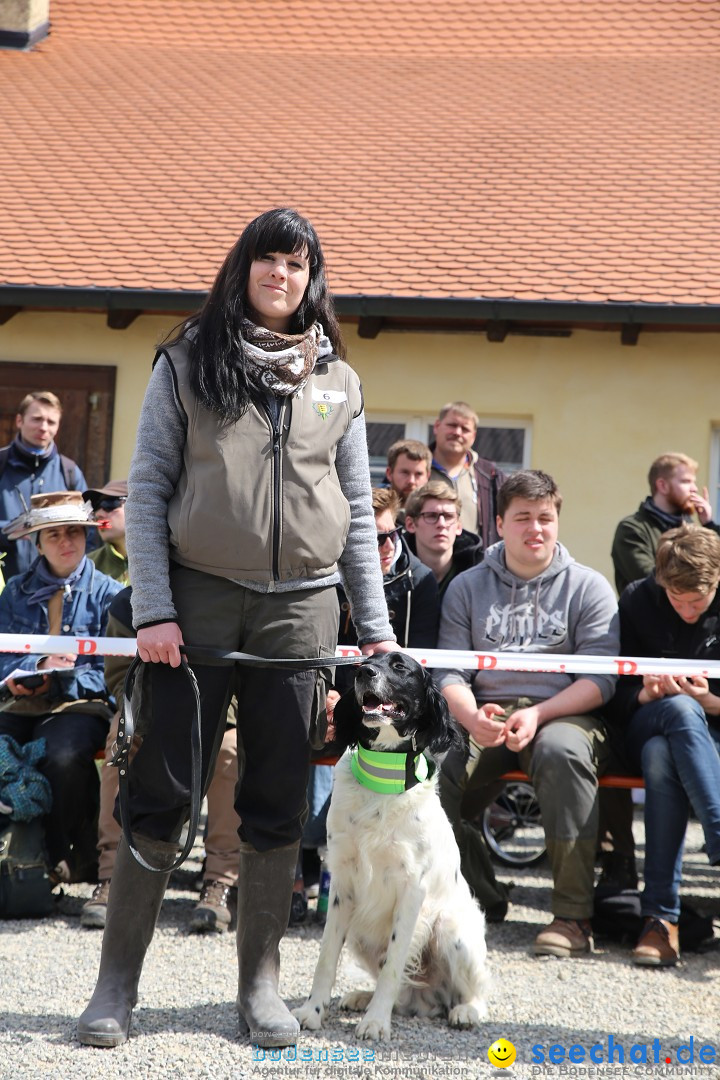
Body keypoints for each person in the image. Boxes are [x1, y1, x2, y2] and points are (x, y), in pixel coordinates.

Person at [77, 208, 395, 1050]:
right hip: (199, 605)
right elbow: (145, 491)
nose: (280, 276)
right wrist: (153, 609)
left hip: (301, 611)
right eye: (267, 260)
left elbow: (358, 512)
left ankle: (260, 987)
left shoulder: (341, 381)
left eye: (296, 264)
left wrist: (377, 628)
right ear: (243, 269)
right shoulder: (186, 361)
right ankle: (116, 988)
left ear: (310, 278)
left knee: (278, 798)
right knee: (161, 790)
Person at [438, 470, 619, 957]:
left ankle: (572, 918)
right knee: (436, 769)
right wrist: (471, 716)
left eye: (546, 518)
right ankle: (475, 899)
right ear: (499, 524)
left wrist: (540, 715)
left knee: (561, 754)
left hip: (564, 714)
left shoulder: (590, 588)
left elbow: (600, 680)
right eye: (523, 518)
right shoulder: (466, 588)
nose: (536, 528)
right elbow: (448, 671)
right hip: (487, 712)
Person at [611, 525, 720, 966]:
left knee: (663, 755)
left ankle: (660, 919)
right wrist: (647, 692)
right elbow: (610, 690)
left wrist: (709, 700)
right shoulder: (638, 599)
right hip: (645, 719)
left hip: (707, 732)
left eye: (698, 601)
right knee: (677, 714)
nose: (688, 610)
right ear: (661, 582)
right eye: (678, 600)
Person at [0, 491, 122, 885]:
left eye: (74, 532)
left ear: (89, 537)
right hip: (18, 704)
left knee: (65, 754)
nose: (66, 542)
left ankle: (52, 858)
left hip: (81, 705)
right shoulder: (15, 592)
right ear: (37, 542)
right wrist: (26, 672)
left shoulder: (109, 594)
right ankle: (15, 858)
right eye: (53, 535)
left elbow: (115, 671)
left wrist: (61, 679)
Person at [0, 392, 88, 580]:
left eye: (51, 422)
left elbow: (89, 533)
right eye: (37, 419)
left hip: (57, 589)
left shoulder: (70, 472)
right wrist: (8, 530)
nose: (43, 427)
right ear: (19, 421)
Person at [611, 452, 719, 596]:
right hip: (648, 618)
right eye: (686, 481)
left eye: (694, 482)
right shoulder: (632, 529)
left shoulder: (694, 530)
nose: (694, 488)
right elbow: (650, 581)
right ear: (662, 485)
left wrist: (709, 525)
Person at [429, 401, 506, 548]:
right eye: (452, 425)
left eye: (465, 429)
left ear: (474, 436)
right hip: (423, 564)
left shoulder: (490, 475)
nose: (457, 432)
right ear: (437, 426)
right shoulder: (415, 469)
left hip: (475, 564)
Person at [403, 481, 483, 599]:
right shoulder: (394, 573)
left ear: (459, 526)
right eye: (431, 516)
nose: (441, 524)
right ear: (411, 524)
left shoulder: (479, 573)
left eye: (448, 516)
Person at [85, 481, 129, 584]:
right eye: (95, 507)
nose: (99, 514)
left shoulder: (164, 558)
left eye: (109, 503)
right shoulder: (88, 566)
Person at [384, 439, 431, 508]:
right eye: (405, 473)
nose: (411, 481)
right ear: (389, 473)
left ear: (428, 476)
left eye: (418, 474)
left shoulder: (437, 514)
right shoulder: (373, 512)